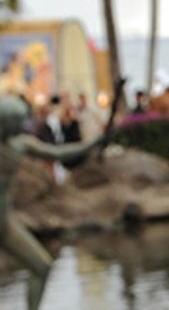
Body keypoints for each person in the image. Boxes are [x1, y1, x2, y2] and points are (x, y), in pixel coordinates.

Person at [1, 95, 106, 309]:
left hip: (4, 223)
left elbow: (58, 152)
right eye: (17, 121)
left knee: (42, 267)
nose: (22, 125)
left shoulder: (20, 145)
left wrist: (91, 144)